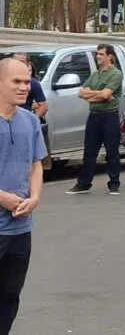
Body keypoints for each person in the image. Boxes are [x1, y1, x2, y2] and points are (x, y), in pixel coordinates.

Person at [0, 58, 47, 334]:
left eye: (27, 82)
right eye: (16, 82)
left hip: (21, 227)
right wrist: (2, 197)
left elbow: (36, 164)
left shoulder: (30, 120)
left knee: (9, 295)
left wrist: (36, 197)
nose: (24, 87)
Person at [67, 45, 124, 195]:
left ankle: (114, 184)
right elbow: (81, 93)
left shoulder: (116, 74)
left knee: (112, 152)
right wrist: (100, 95)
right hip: (93, 117)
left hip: (109, 117)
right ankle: (83, 184)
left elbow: (107, 95)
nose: (97, 56)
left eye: (101, 54)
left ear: (109, 56)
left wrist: (93, 95)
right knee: (89, 152)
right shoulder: (95, 75)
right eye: (97, 54)